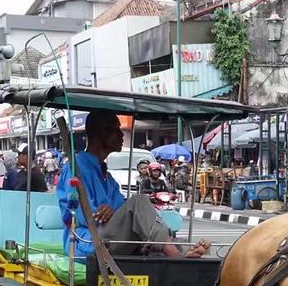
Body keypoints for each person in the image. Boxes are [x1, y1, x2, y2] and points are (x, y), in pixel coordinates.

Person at [56, 110, 208, 258]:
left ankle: (181, 252)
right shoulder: (75, 169)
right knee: (138, 200)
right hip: (86, 241)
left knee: (164, 237)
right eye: (116, 130)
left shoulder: (108, 178)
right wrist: (105, 214)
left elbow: (122, 207)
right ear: (101, 133)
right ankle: (175, 255)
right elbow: (81, 216)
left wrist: (113, 211)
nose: (122, 135)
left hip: (109, 236)